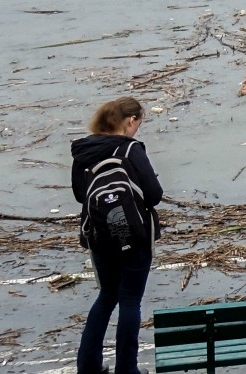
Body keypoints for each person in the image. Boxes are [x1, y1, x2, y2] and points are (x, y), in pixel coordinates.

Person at [73, 96, 162, 374]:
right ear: (130, 121)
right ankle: (127, 369)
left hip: (99, 237)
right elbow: (154, 195)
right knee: (130, 300)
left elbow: (80, 195)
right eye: (138, 122)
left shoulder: (84, 151)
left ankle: (88, 367)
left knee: (106, 296)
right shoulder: (131, 150)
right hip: (135, 236)